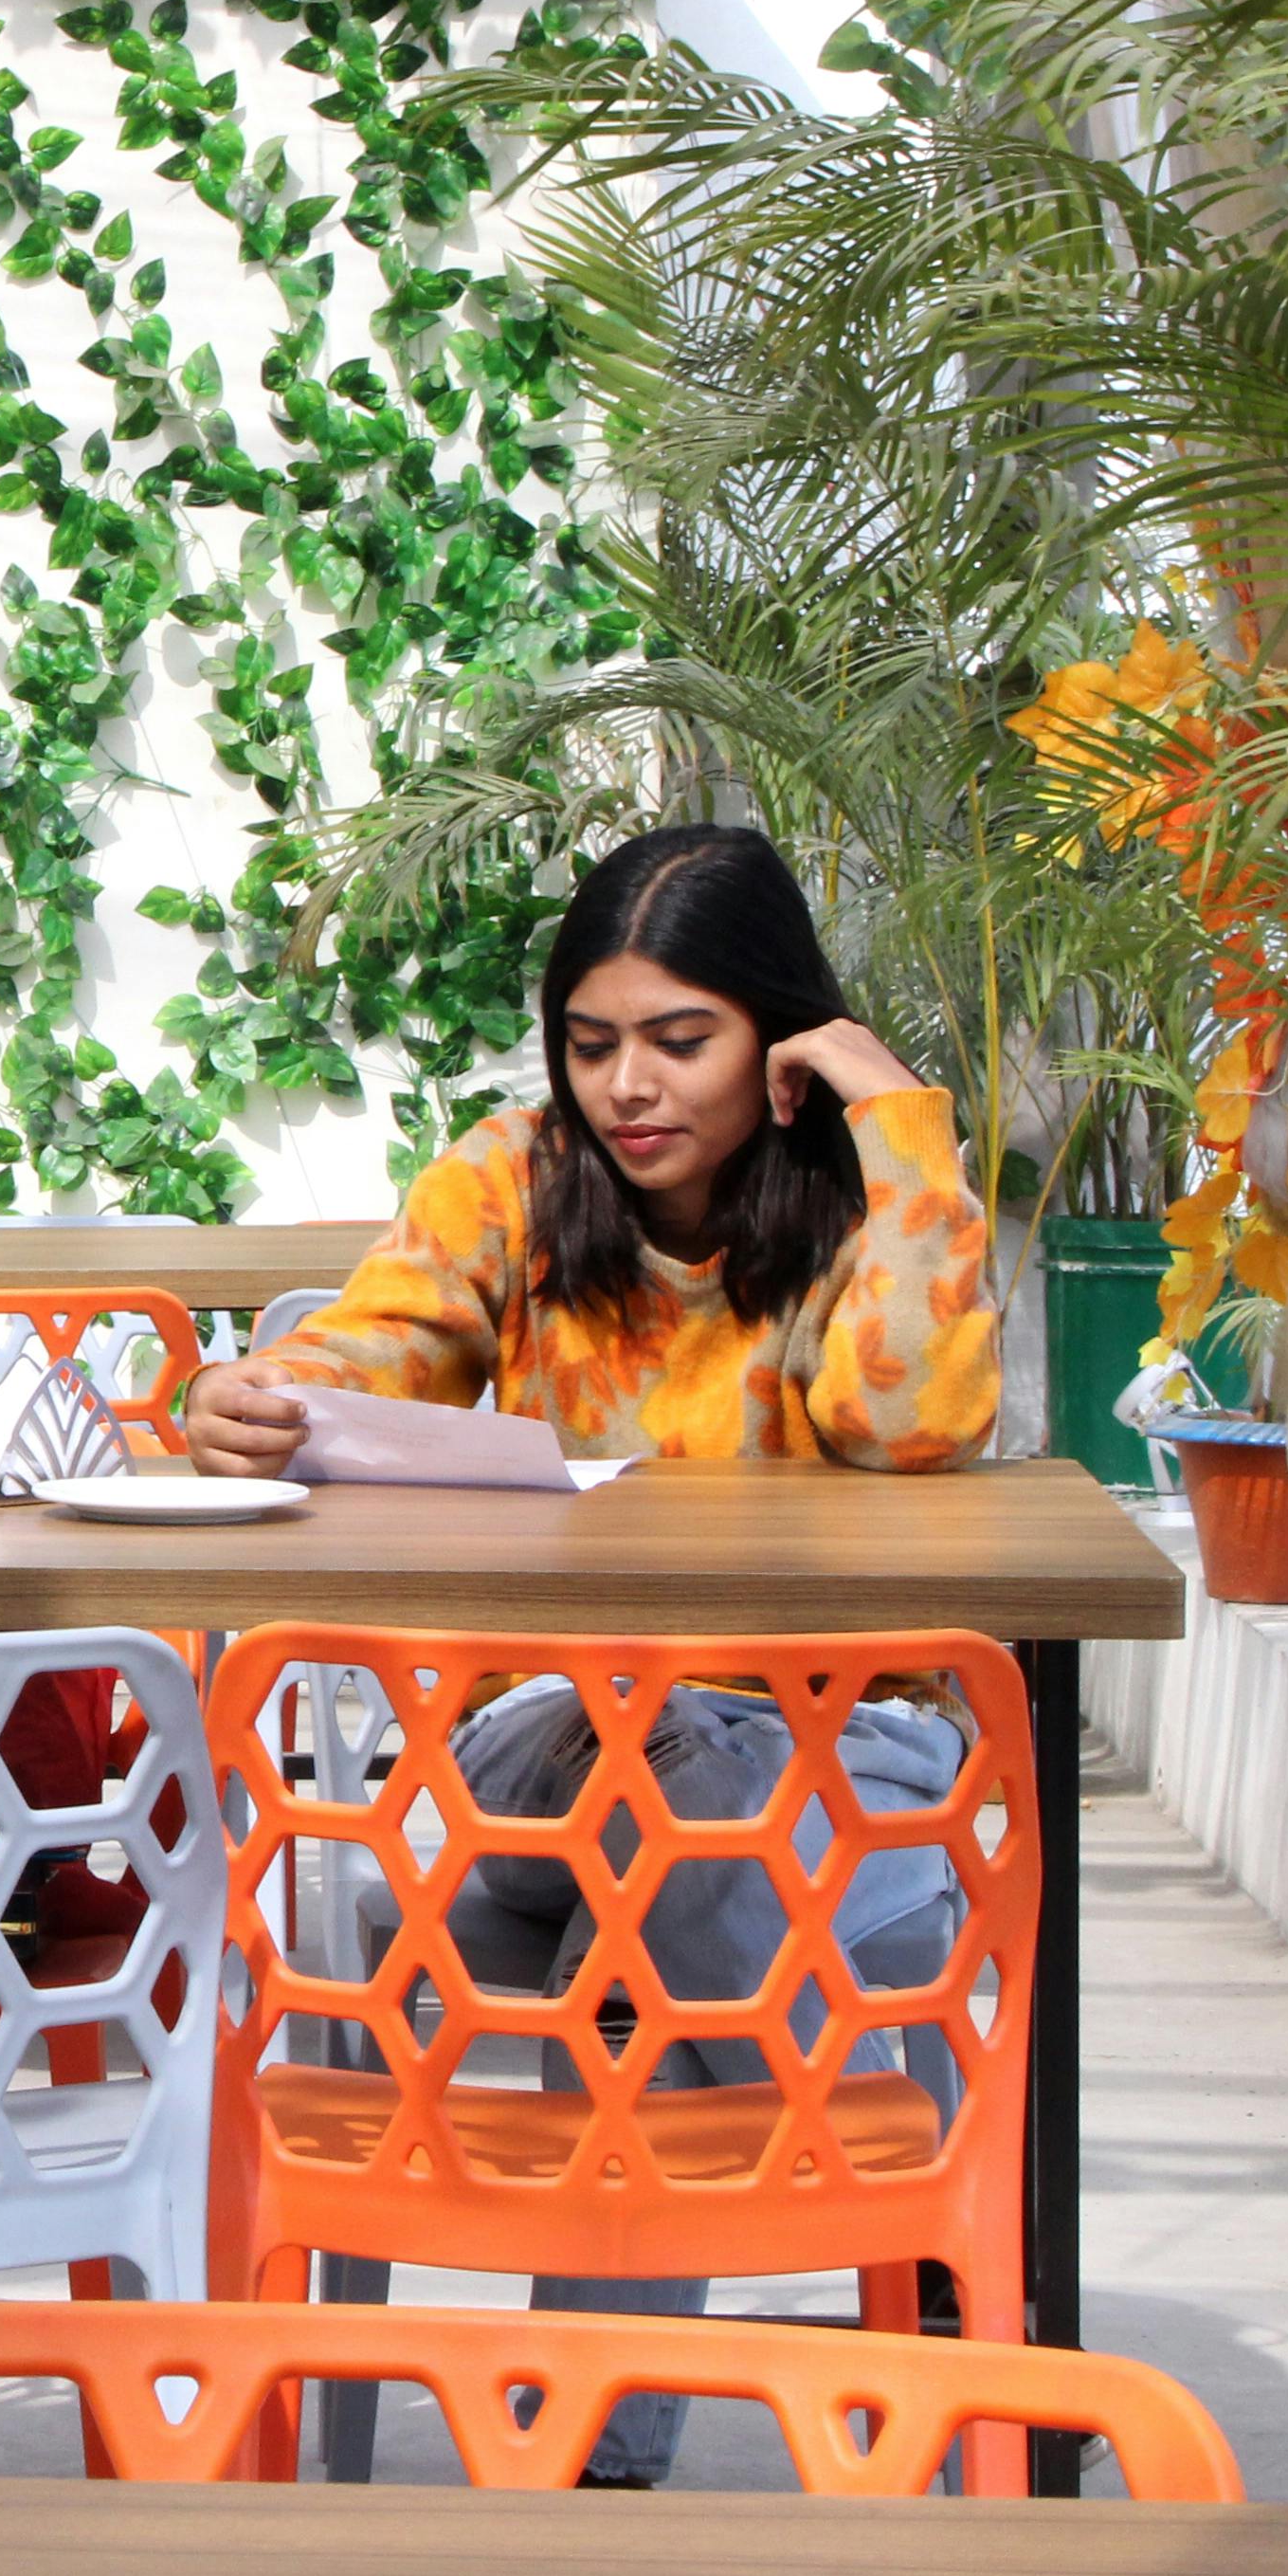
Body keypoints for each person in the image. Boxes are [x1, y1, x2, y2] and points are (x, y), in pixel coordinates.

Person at [187, 820, 1004, 2487]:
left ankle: (582, 2453)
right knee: (663, 1766)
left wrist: (900, 1117)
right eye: (592, 1042)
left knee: (655, 1866)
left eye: (682, 1041)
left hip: (857, 1746)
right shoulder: (509, 1179)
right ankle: (793, 2188)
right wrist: (259, 1399)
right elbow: (372, 1351)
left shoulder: (867, 1199)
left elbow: (913, 1424)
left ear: (776, 1038)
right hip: (555, 1733)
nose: (629, 1086)